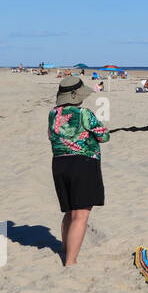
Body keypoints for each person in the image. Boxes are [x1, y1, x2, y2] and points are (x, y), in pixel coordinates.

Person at [48, 76, 109, 266]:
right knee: (80, 215)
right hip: (82, 164)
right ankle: (70, 260)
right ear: (75, 96)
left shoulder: (53, 113)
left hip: (59, 164)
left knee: (69, 212)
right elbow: (104, 136)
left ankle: (67, 250)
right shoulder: (84, 113)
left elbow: (52, 135)